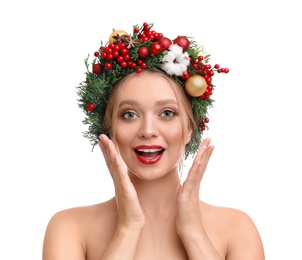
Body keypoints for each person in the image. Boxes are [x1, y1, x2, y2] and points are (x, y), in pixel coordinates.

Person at [42, 22, 265, 259]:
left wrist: (193, 232)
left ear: (189, 128)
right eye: (129, 115)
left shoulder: (237, 229)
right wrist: (128, 228)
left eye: (167, 113)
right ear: (110, 129)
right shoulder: (69, 228)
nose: (147, 131)